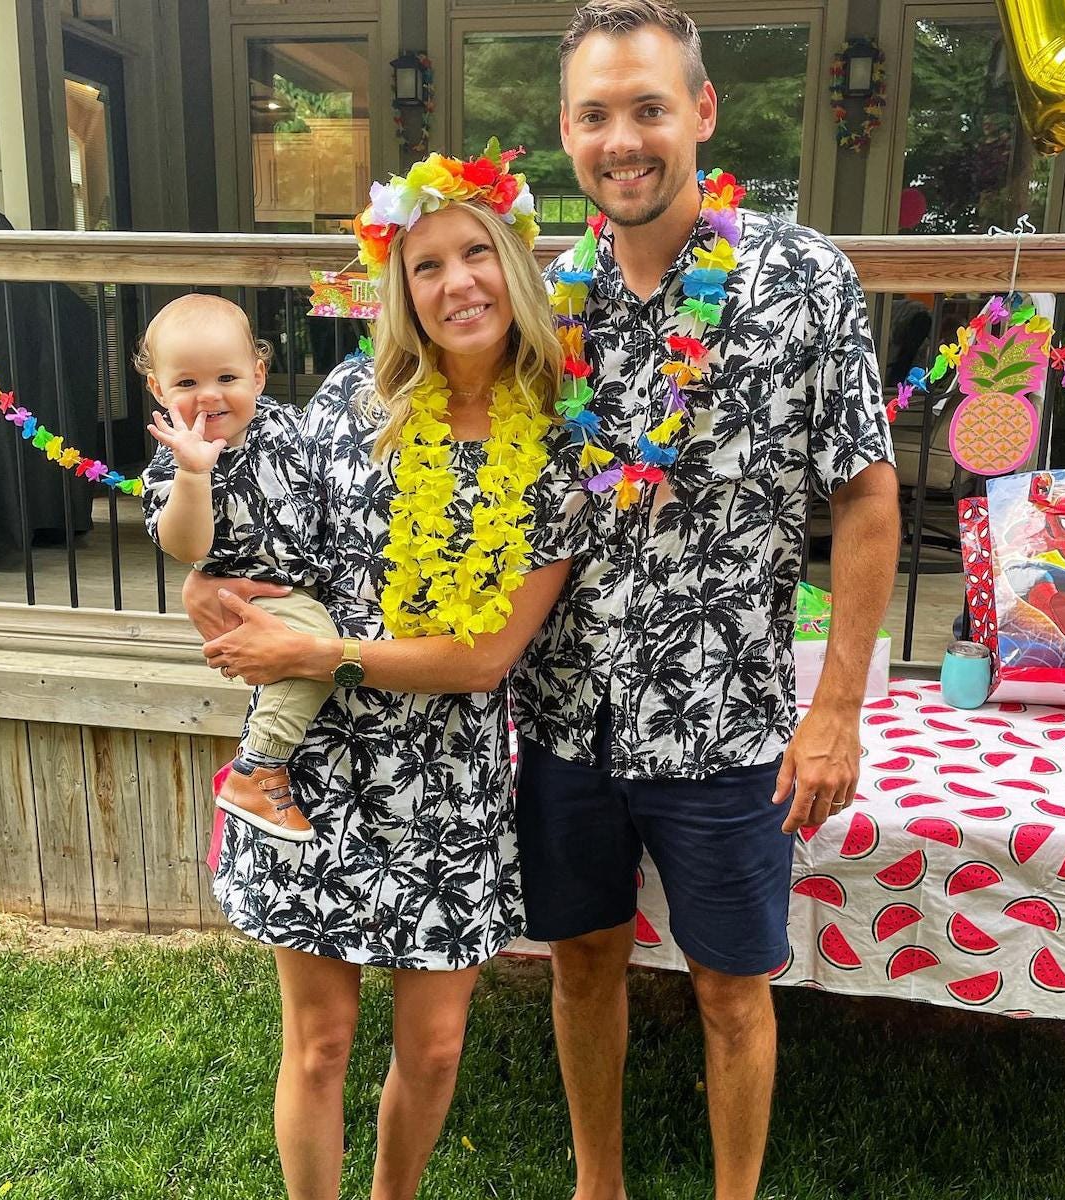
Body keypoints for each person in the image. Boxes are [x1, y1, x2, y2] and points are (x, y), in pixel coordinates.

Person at [510, 4, 901, 1199]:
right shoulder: (543, 303)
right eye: (594, 115)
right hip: (568, 715)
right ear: (566, 132)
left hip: (729, 721)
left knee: (734, 986)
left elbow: (869, 504)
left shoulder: (798, 277)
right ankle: (599, 1185)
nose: (622, 139)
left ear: (703, 114)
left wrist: (833, 710)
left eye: (648, 109)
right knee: (582, 963)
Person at [178, 145, 586, 1200]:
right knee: (319, 1045)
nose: (456, 284)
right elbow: (272, 520)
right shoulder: (358, 394)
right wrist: (211, 581)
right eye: (426, 265)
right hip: (309, 767)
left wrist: (318, 651)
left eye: (476, 255)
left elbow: (489, 655)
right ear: (400, 288)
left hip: (444, 775)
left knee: (437, 1047)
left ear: (515, 262)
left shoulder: (561, 449)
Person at [138, 294, 336, 841]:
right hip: (256, 596)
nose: (208, 395)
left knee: (311, 650)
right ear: (158, 388)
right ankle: (257, 768)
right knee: (314, 645)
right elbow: (185, 545)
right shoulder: (175, 461)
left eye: (227, 375)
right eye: (185, 384)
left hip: (306, 582)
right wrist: (194, 475)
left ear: (259, 372)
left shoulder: (287, 425)